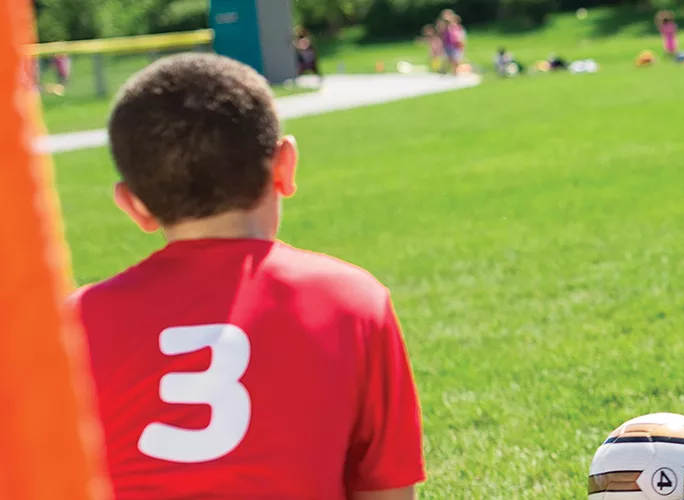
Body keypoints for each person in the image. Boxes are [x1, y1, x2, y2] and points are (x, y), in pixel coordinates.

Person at [71, 53, 425, 499]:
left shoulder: (71, 323)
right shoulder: (353, 300)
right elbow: (386, 491)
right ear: (285, 166)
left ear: (132, 205)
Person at [439, 10, 467, 75]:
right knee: (449, 60)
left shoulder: (458, 28)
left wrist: (462, 45)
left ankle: (454, 73)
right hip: (449, 46)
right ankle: (446, 71)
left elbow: (461, 38)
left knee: (456, 61)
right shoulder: (446, 27)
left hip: (455, 46)